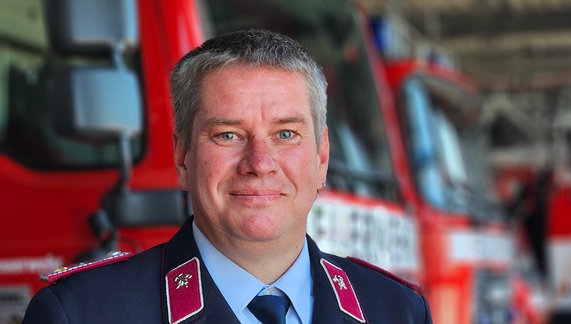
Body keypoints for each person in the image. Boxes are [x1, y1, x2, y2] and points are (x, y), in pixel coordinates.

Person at [23, 29, 432, 323]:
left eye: (285, 134)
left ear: (321, 157)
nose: (259, 161)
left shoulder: (397, 310)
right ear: (182, 157)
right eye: (228, 135)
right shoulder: (81, 313)